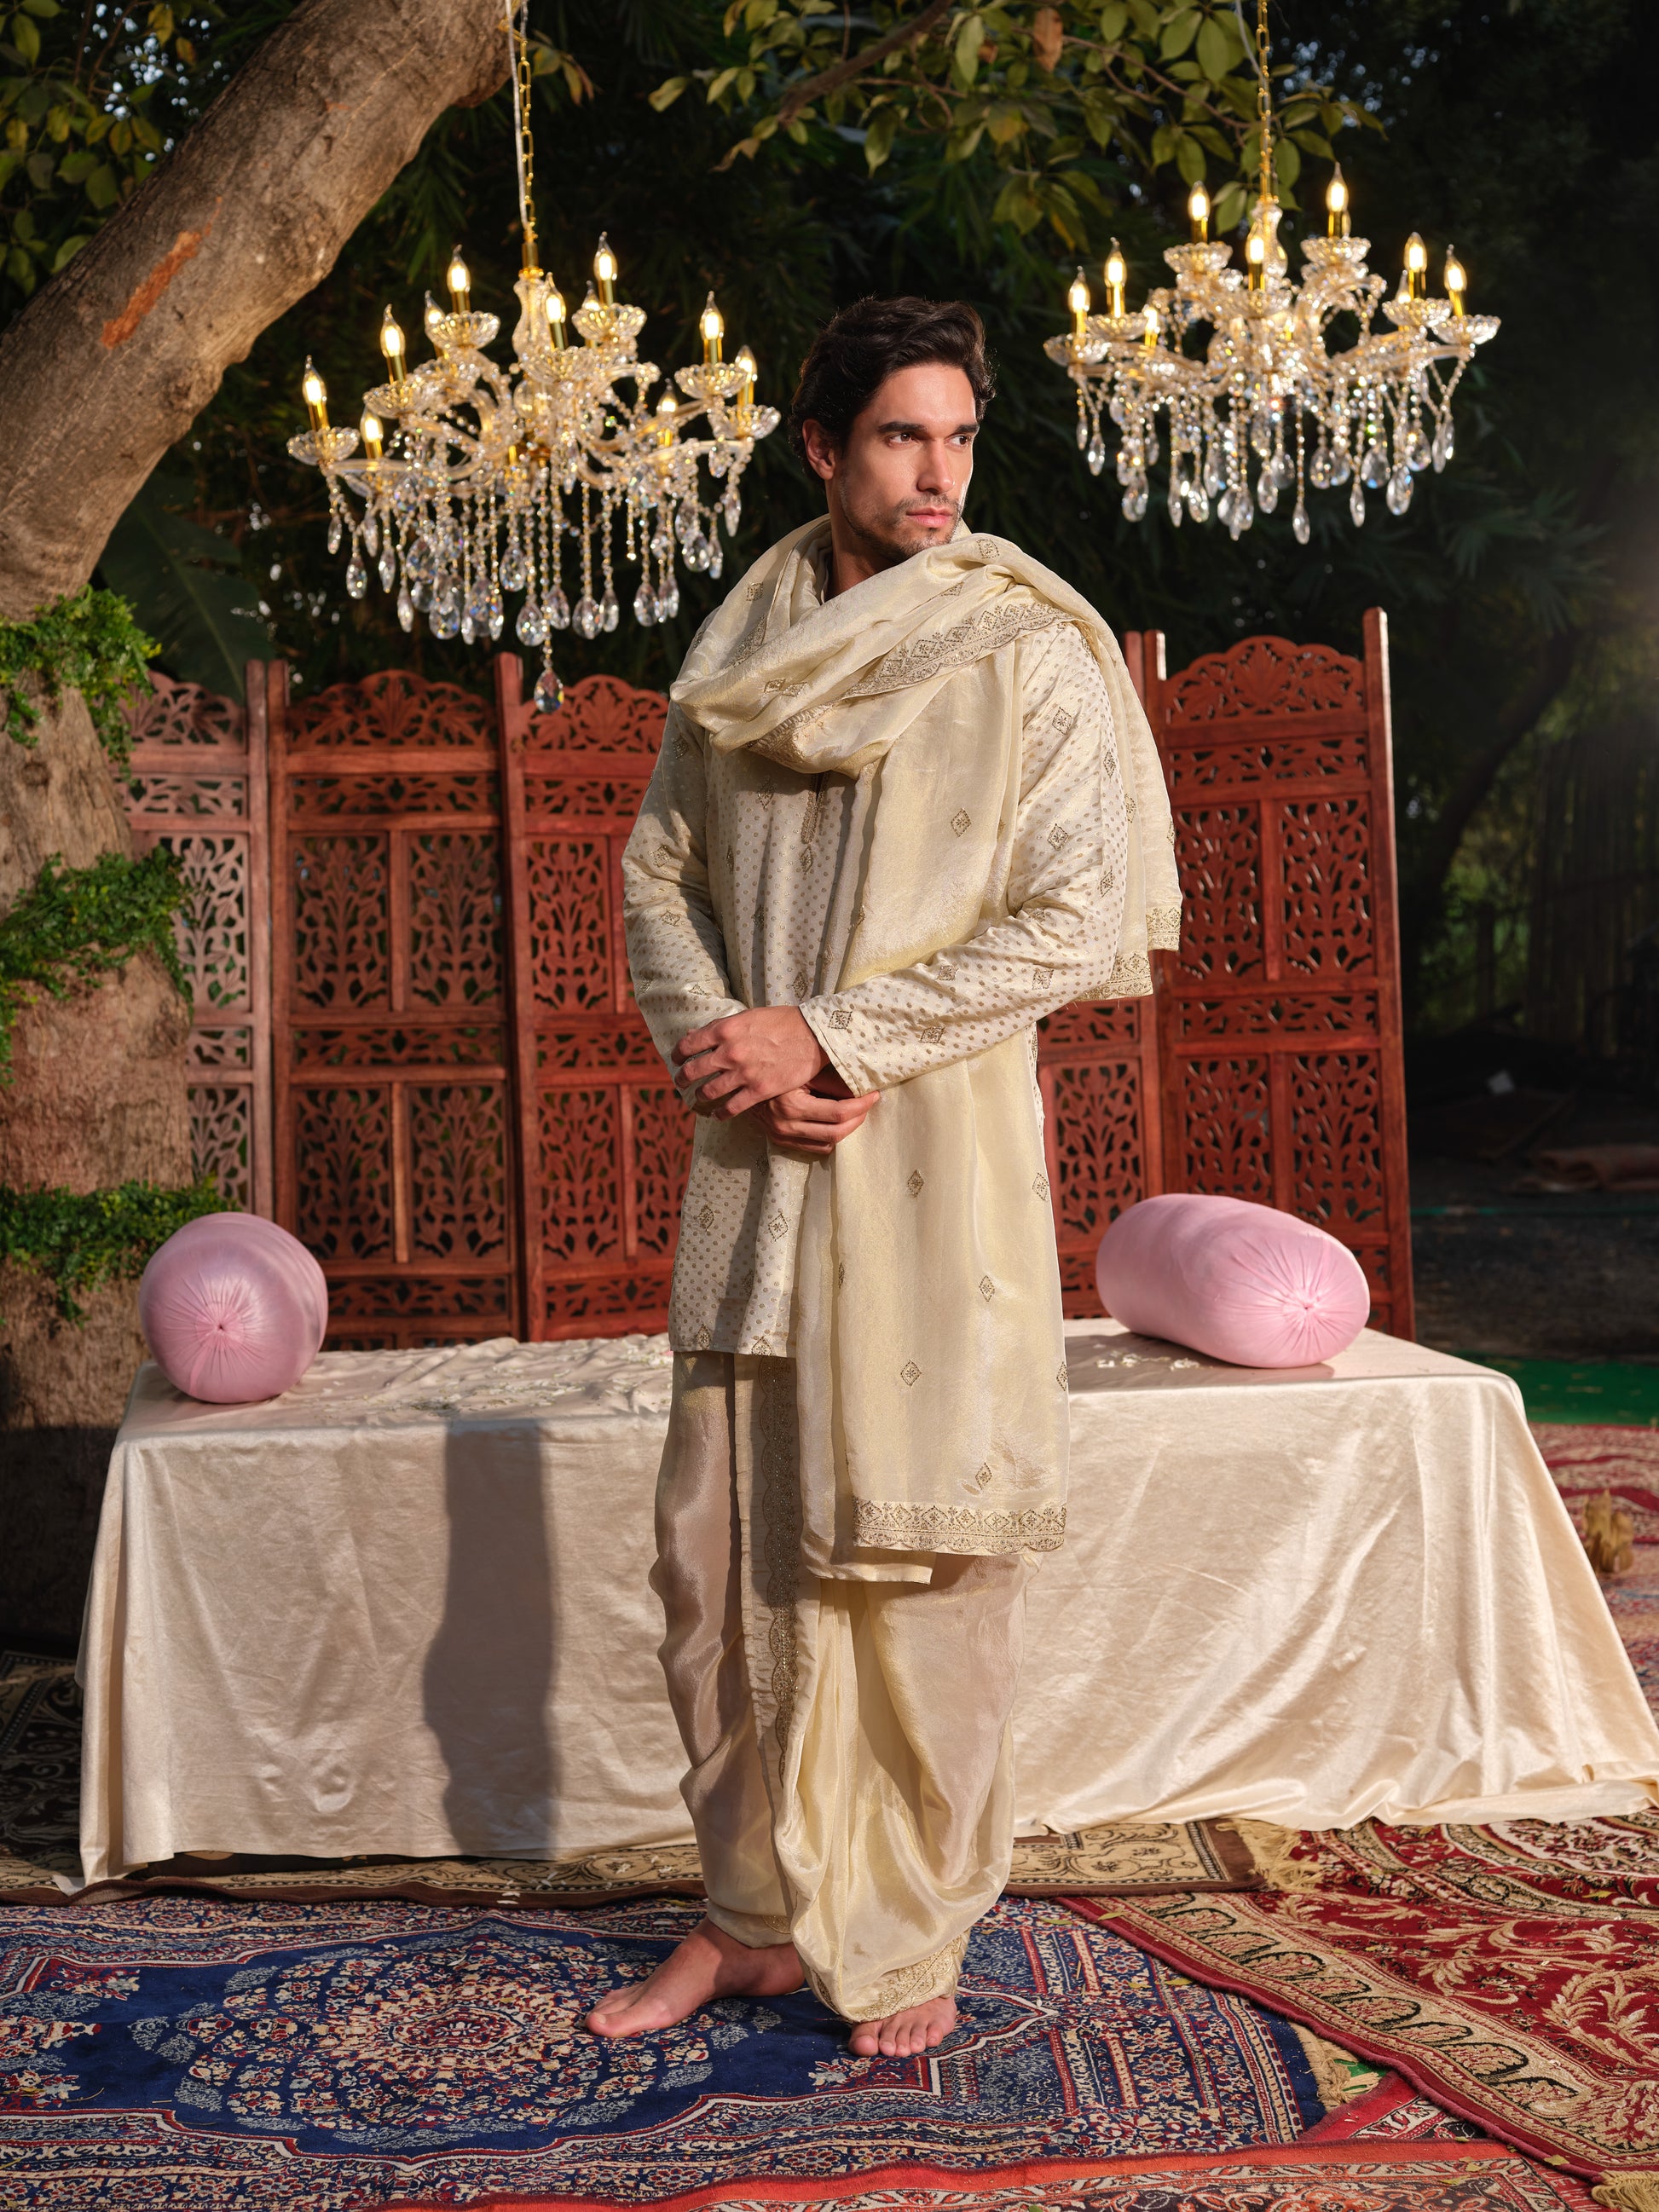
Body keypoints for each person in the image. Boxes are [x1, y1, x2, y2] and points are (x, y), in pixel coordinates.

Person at [592, 296, 1179, 2058]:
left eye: (958, 438)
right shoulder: (742, 649)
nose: (939, 474)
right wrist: (733, 1046)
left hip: (923, 1159)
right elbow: (657, 874)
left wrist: (832, 1040)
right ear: (822, 450)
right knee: (711, 1569)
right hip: (752, 1168)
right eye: (901, 436)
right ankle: (748, 1919)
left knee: (917, 1566)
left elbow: (1071, 919)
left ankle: (909, 1923)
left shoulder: (1026, 651)